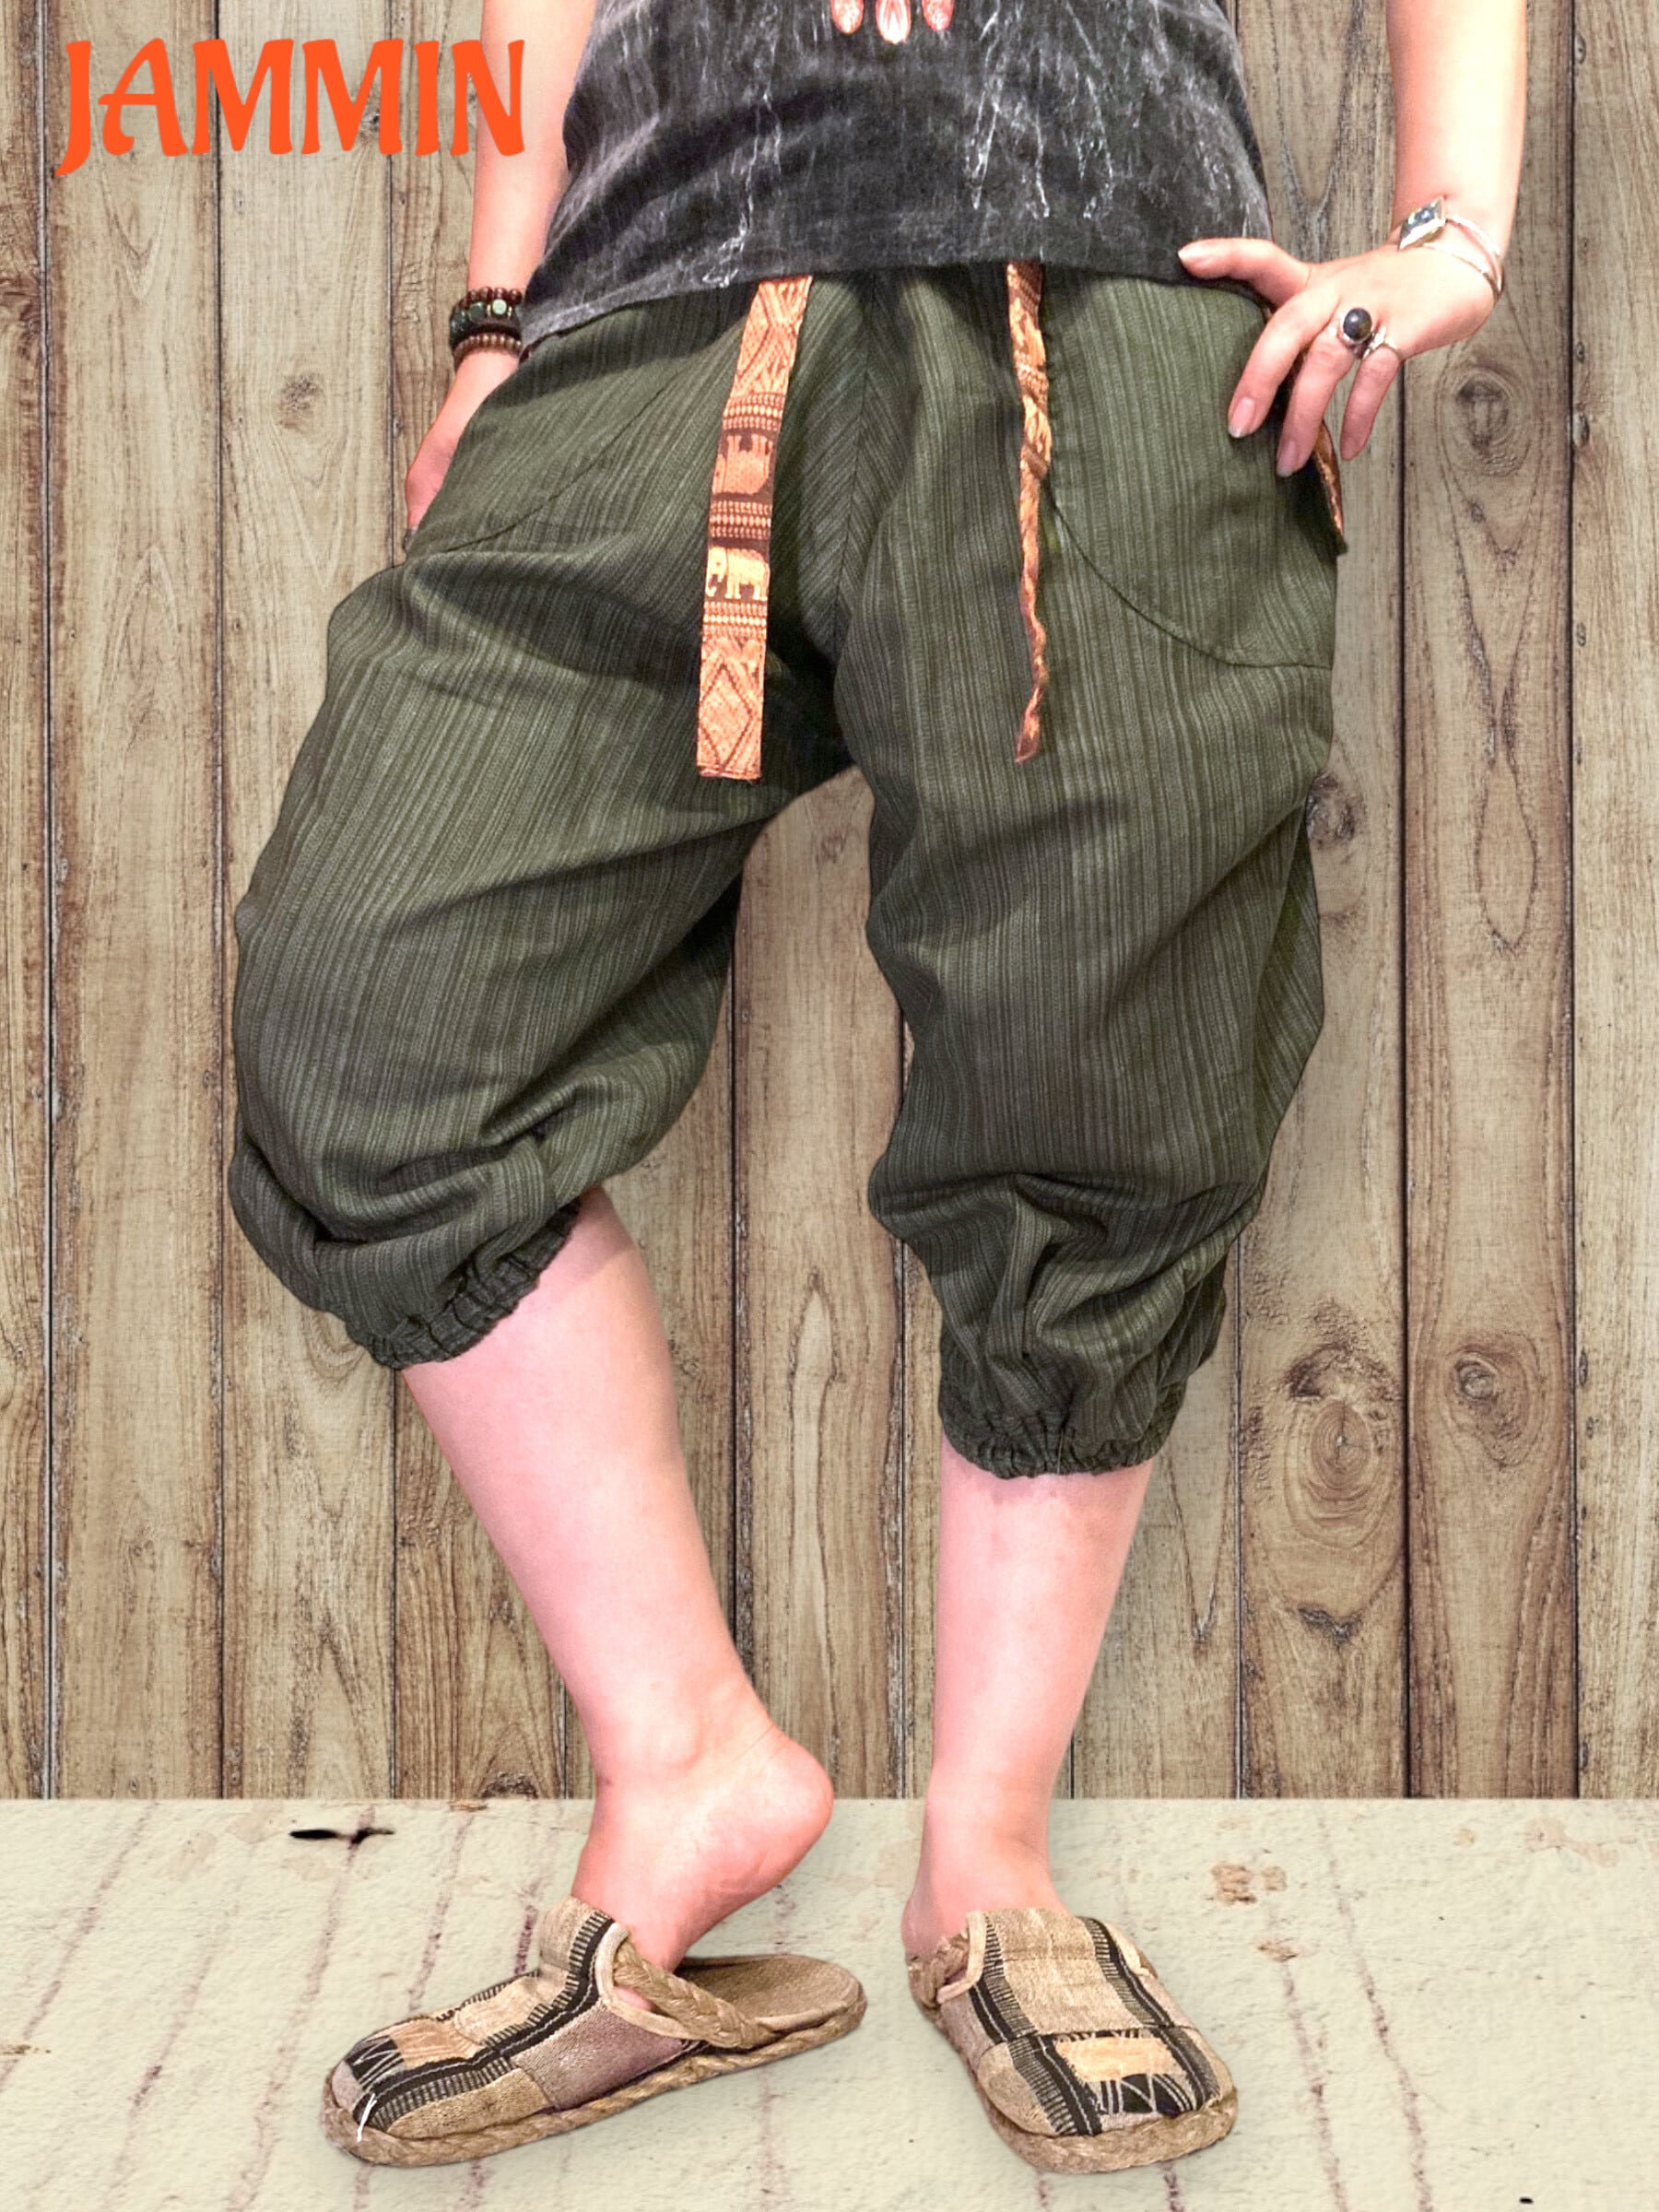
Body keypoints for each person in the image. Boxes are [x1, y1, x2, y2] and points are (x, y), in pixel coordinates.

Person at [228, 0, 1524, 2174]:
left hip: (1101, 278)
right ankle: (693, 1769)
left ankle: (989, 1865)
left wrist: (1453, 227)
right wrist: (494, 314)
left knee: (1104, 1066)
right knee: (364, 1014)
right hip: (649, 310)